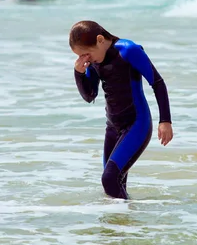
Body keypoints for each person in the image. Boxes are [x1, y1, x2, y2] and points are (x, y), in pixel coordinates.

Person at [69, 20, 173, 199]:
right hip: (112, 128)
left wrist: (165, 121)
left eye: (86, 54)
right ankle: (124, 224)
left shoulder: (128, 50)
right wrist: (79, 73)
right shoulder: (94, 61)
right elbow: (90, 95)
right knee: (113, 187)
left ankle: (129, 219)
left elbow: (157, 82)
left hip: (136, 124)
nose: (85, 59)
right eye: (81, 56)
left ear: (100, 40)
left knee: (109, 179)